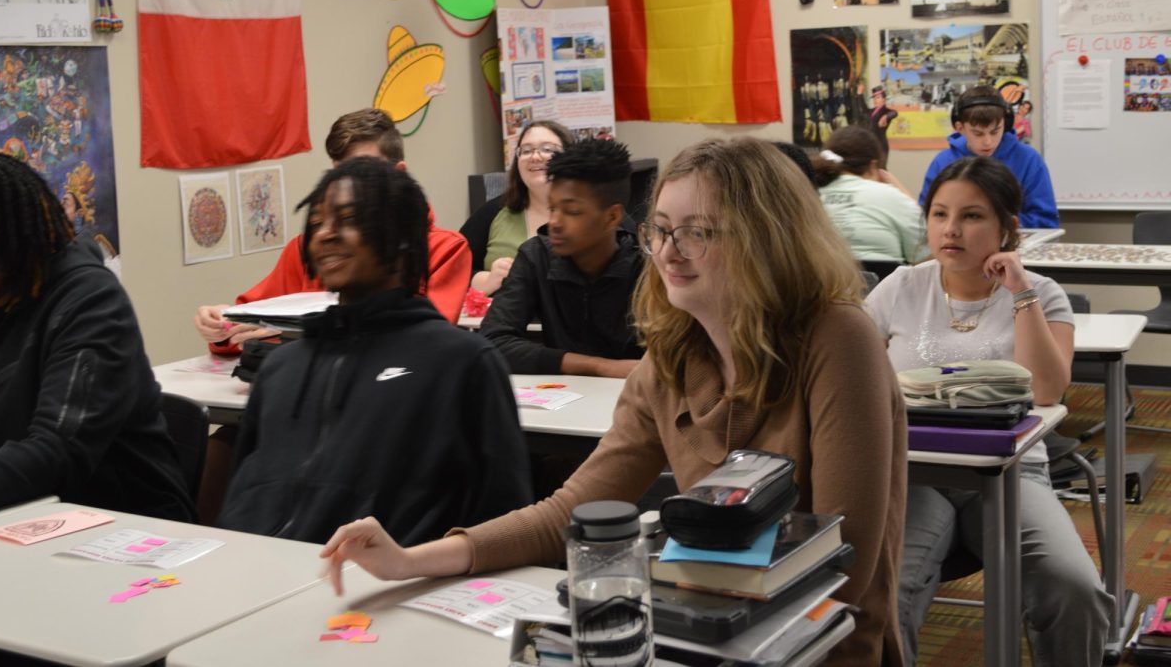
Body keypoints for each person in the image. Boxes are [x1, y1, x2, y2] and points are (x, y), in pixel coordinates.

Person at [320, 137, 908, 666]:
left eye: (698, 232)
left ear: (766, 239)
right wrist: (411, 560)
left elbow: (840, 566)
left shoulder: (837, 336)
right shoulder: (673, 358)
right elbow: (567, 510)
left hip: (819, 644)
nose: (668, 253)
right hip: (707, 635)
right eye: (661, 230)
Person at [864, 157, 1111, 667]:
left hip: (1012, 474)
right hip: (914, 475)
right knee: (888, 592)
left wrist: (1020, 292)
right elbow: (854, 380)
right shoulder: (900, 288)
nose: (951, 230)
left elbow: (1045, 391)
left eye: (972, 216)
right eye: (939, 214)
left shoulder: (1041, 293)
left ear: (1007, 228)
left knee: (1074, 588)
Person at [215, 158, 532, 544]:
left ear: (400, 237)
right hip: (263, 579)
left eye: (348, 219)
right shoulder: (283, 365)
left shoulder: (460, 362)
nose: (326, 234)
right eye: (316, 223)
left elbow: (502, 522)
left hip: (384, 586)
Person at [0, 146, 193, 520]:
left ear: (10, 237)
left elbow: (56, 453)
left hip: (123, 531)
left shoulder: (89, 301)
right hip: (9, 522)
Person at [194, 109, 471, 354]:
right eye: (339, 173)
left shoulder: (445, 248)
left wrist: (297, 332)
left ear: (398, 174)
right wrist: (220, 327)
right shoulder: (310, 247)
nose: (347, 186)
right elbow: (247, 323)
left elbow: (429, 341)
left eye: (363, 171)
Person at [480, 138, 644, 378]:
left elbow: (676, 354)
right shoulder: (536, 256)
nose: (554, 223)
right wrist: (598, 366)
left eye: (572, 211)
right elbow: (492, 341)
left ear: (611, 217)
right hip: (563, 403)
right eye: (552, 208)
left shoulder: (647, 267)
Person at [460, 120, 574, 296]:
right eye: (526, 151)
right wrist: (488, 281)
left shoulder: (594, 212)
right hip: (503, 320)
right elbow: (452, 270)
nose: (535, 157)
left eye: (547, 149)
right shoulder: (493, 212)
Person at [919, 85, 1059, 228]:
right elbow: (927, 215)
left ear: (1006, 124)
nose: (988, 142)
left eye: (995, 131)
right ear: (960, 128)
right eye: (978, 133)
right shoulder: (943, 162)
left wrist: (998, 225)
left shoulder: (1028, 159)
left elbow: (1046, 221)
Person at [811, 126, 927, 265]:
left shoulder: (808, 195)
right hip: (884, 285)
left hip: (821, 283)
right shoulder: (891, 197)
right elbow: (926, 256)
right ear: (873, 166)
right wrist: (901, 191)